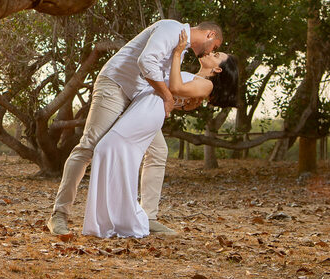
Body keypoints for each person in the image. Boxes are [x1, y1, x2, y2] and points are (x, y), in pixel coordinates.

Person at [47, 20, 223, 236]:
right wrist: (168, 97)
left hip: (137, 98)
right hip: (116, 85)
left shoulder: (182, 48)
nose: (213, 51)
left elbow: (165, 82)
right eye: (215, 46)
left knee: (159, 151)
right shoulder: (171, 29)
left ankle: (147, 217)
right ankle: (59, 215)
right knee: (89, 147)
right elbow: (146, 61)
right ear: (210, 35)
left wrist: (181, 101)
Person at [82, 30, 239, 238]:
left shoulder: (206, 85)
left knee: (108, 150)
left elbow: (174, 87)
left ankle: (129, 219)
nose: (212, 53)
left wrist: (177, 53)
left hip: (149, 111)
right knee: (114, 153)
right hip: (144, 106)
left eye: (217, 55)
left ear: (218, 69)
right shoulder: (198, 81)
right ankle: (116, 218)